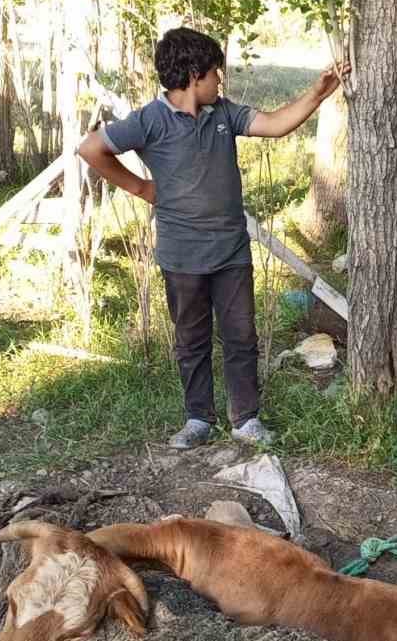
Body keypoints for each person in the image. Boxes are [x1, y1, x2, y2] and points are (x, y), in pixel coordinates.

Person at [78, 26, 344, 449]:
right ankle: (198, 418)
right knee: (191, 339)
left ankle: (246, 419)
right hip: (181, 256)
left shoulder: (224, 114)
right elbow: (91, 149)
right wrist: (142, 189)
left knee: (241, 337)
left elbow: (276, 124)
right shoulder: (149, 120)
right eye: (215, 73)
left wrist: (318, 93)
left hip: (231, 251)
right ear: (193, 75)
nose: (221, 80)